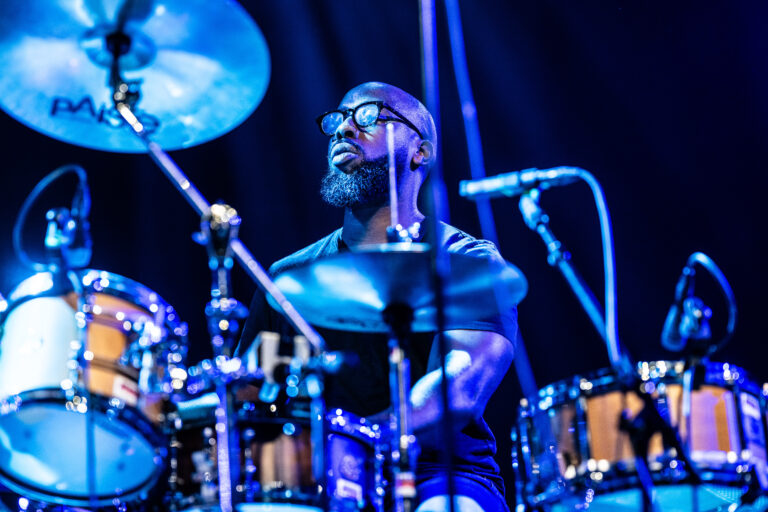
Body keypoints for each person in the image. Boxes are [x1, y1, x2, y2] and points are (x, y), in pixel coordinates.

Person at [238, 82, 517, 512]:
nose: (344, 129)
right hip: (319, 484)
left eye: (368, 116)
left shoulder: (466, 261)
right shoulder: (289, 278)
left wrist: (358, 444)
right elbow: (254, 391)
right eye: (338, 120)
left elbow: (460, 387)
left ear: (420, 151)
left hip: (440, 476)